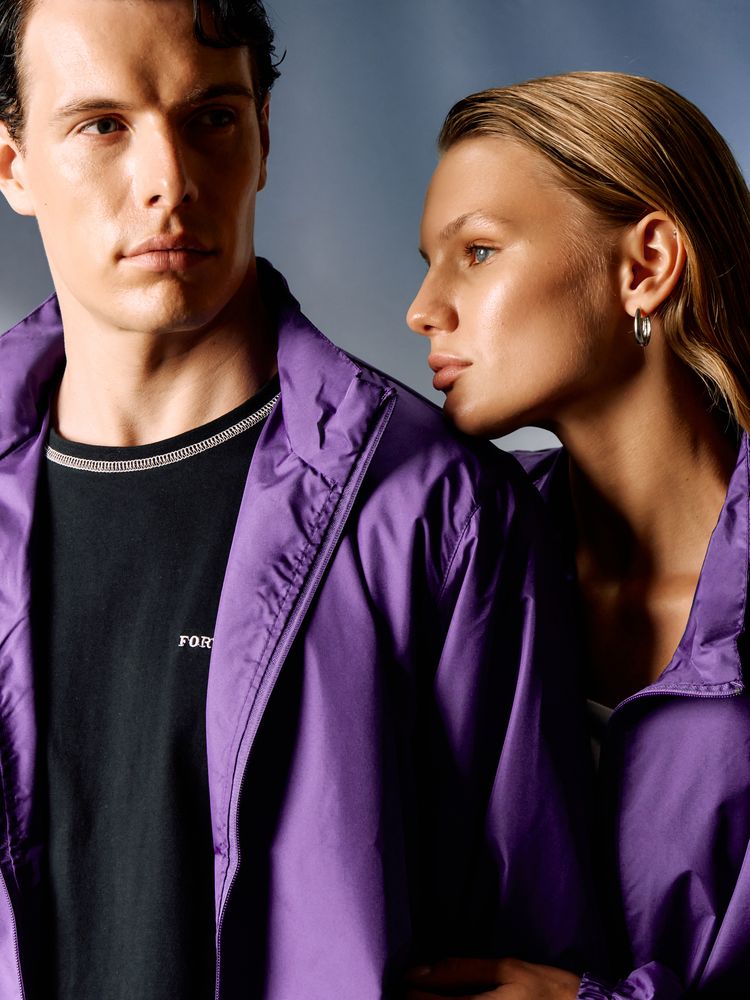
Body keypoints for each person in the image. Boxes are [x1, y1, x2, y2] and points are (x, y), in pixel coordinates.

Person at [0, 4, 601, 998]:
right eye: (103, 125)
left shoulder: (438, 510)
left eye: (212, 118)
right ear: (14, 164)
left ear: (265, 137)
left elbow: (531, 953)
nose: (169, 180)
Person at [406, 71, 750, 999]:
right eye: (430, 261)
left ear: (645, 266)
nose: (423, 309)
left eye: (477, 252)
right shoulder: (452, 563)